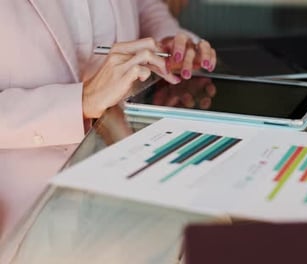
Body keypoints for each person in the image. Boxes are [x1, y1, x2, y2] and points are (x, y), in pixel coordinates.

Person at [0, 0, 216, 240]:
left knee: (214, 227)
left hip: (129, 163)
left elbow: (144, 7)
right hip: (27, 207)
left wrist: (169, 42)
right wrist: (82, 101)